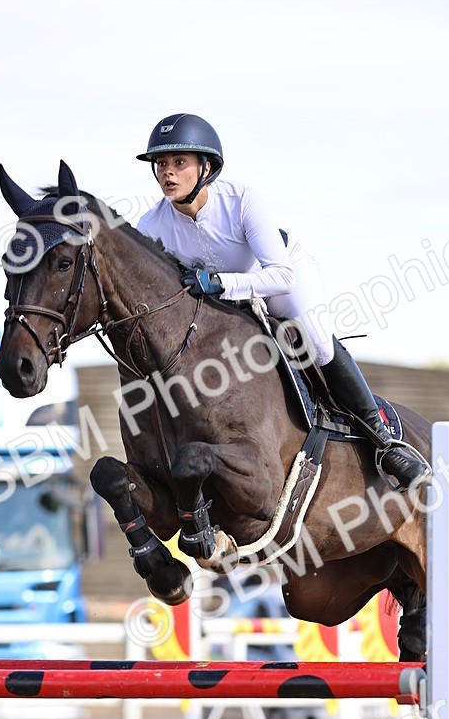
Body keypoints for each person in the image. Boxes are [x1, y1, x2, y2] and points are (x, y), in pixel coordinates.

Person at [135, 113, 428, 489]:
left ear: (206, 167)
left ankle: (384, 441)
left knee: (317, 341)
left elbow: (281, 275)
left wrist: (221, 284)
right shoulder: (150, 225)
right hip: (220, 300)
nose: (167, 173)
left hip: (280, 276)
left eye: (179, 163)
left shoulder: (242, 201)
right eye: (161, 165)